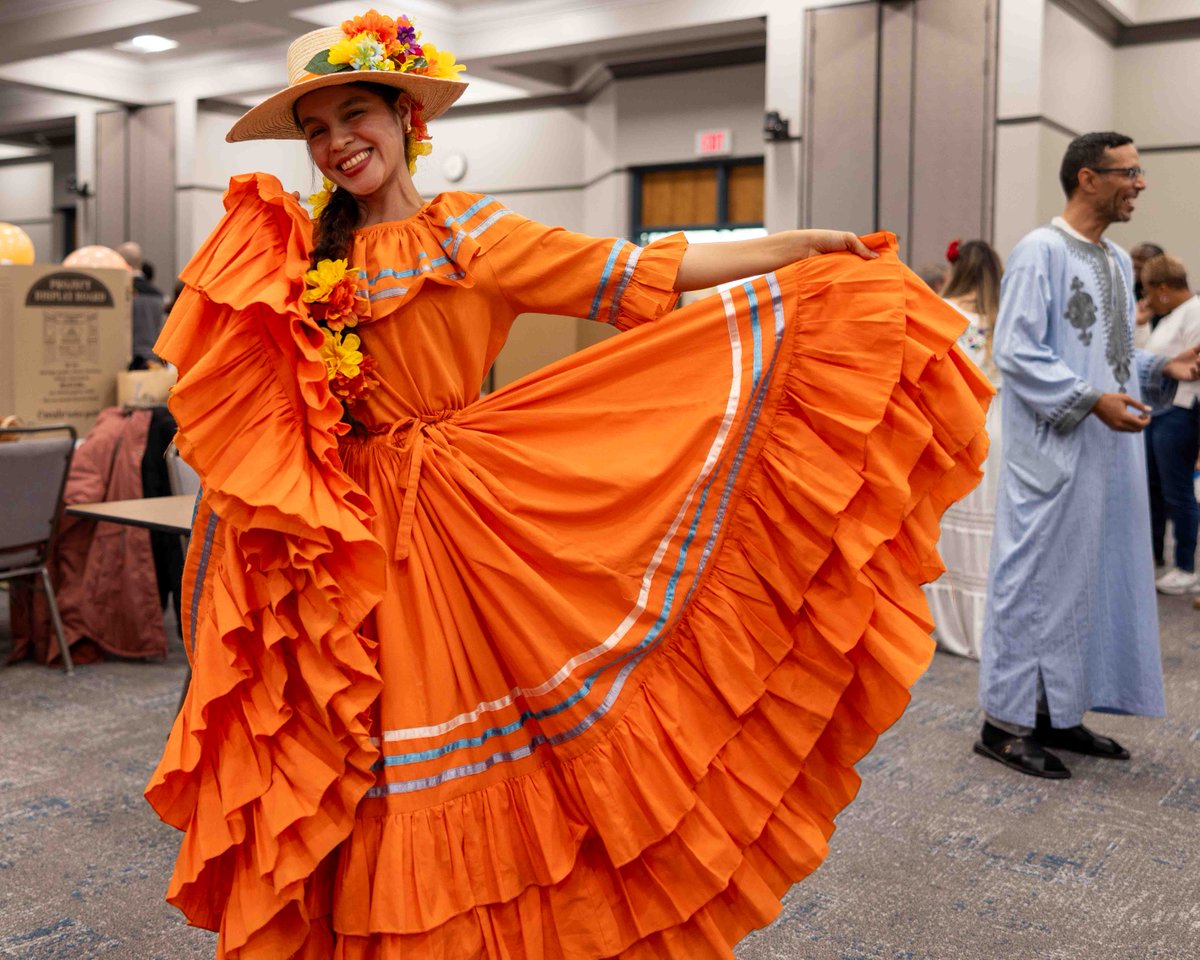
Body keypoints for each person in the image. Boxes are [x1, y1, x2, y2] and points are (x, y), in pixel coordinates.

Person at [144, 11, 990, 958]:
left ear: (406, 117)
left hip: (449, 526)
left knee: (470, 739)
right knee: (343, 748)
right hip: (334, 533)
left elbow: (636, 271)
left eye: (354, 115)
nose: (337, 142)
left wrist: (795, 249)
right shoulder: (299, 251)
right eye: (315, 129)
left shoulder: (471, 235)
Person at [976, 131, 1200, 780]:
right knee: (1034, 585)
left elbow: (1112, 358)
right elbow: (1017, 351)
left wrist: (1162, 367)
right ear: (1088, 178)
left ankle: (1058, 712)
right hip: (1053, 454)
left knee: (1088, 583)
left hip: (1108, 454)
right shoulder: (1038, 252)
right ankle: (1003, 725)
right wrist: (1089, 400)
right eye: (1129, 172)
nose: (1141, 183)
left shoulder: (1117, 263)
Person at [923, 240, 1004, 658]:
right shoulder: (1004, 316)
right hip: (998, 428)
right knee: (990, 526)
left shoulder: (942, 310)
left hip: (952, 424)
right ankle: (985, 625)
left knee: (947, 519)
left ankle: (945, 623)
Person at [1141, 254, 1200, 594]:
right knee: (1156, 489)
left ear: (1162, 287)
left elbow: (1193, 368)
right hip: (1160, 412)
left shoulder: (1194, 312)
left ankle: (1186, 566)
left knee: (1178, 492)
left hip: (1181, 411)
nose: (1147, 298)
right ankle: (1156, 556)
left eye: (1149, 290)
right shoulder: (1169, 316)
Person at [116, 240, 166, 369]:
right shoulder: (161, 296)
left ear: (121, 261)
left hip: (127, 362)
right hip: (152, 362)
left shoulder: (120, 293)